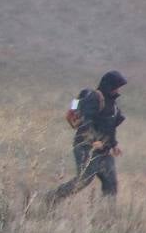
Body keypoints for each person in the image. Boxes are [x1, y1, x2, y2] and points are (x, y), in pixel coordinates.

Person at [52, 70, 127, 202]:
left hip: (104, 150)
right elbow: (85, 122)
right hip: (86, 147)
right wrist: (93, 141)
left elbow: (110, 127)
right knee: (84, 179)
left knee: (111, 183)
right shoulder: (94, 98)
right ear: (109, 85)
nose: (118, 89)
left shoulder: (112, 104)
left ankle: (106, 216)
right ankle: (52, 198)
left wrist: (114, 144)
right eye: (116, 86)